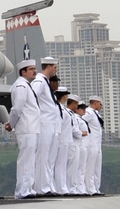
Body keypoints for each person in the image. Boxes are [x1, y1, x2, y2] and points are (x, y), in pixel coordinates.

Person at [4, 59, 40, 199]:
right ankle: (22, 190)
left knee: (30, 160)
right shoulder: (20, 86)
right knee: (25, 159)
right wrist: (11, 124)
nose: (34, 71)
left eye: (34, 69)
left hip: (31, 127)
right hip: (26, 127)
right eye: (31, 69)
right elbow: (17, 108)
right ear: (23, 72)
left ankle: (28, 188)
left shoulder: (26, 85)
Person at [32, 56, 59, 195]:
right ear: (48, 67)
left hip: (51, 124)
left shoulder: (46, 82)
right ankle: (42, 187)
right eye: (54, 67)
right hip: (43, 123)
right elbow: (32, 98)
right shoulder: (39, 82)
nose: (56, 70)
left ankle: (47, 185)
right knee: (42, 156)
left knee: (48, 157)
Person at [52, 86, 73, 195]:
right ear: (63, 96)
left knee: (62, 165)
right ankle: (60, 188)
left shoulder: (63, 108)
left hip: (65, 140)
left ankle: (62, 186)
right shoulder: (58, 108)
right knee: (59, 165)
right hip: (60, 140)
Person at [64, 95, 86, 194]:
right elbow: (73, 129)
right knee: (71, 168)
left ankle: (73, 188)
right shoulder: (67, 113)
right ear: (73, 104)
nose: (77, 107)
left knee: (75, 168)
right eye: (76, 104)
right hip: (72, 143)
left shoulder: (71, 114)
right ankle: (70, 188)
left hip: (76, 144)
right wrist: (81, 133)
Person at [84, 96, 104, 195]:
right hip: (91, 143)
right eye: (100, 104)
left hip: (97, 143)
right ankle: (89, 188)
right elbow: (81, 120)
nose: (101, 106)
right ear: (95, 103)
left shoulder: (96, 114)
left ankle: (96, 188)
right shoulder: (89, 112)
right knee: (90, 168)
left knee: (97, 168)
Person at [74, 101, 91, 194]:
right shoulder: (77, 119)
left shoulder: (81, 119)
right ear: (77, 109)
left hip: (83, 146)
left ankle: (81, 187)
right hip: (80, 145)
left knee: (81, 168)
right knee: (79, 168)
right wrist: (82, 133)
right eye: (82, 108)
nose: (84, 111)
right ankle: (79, 188)